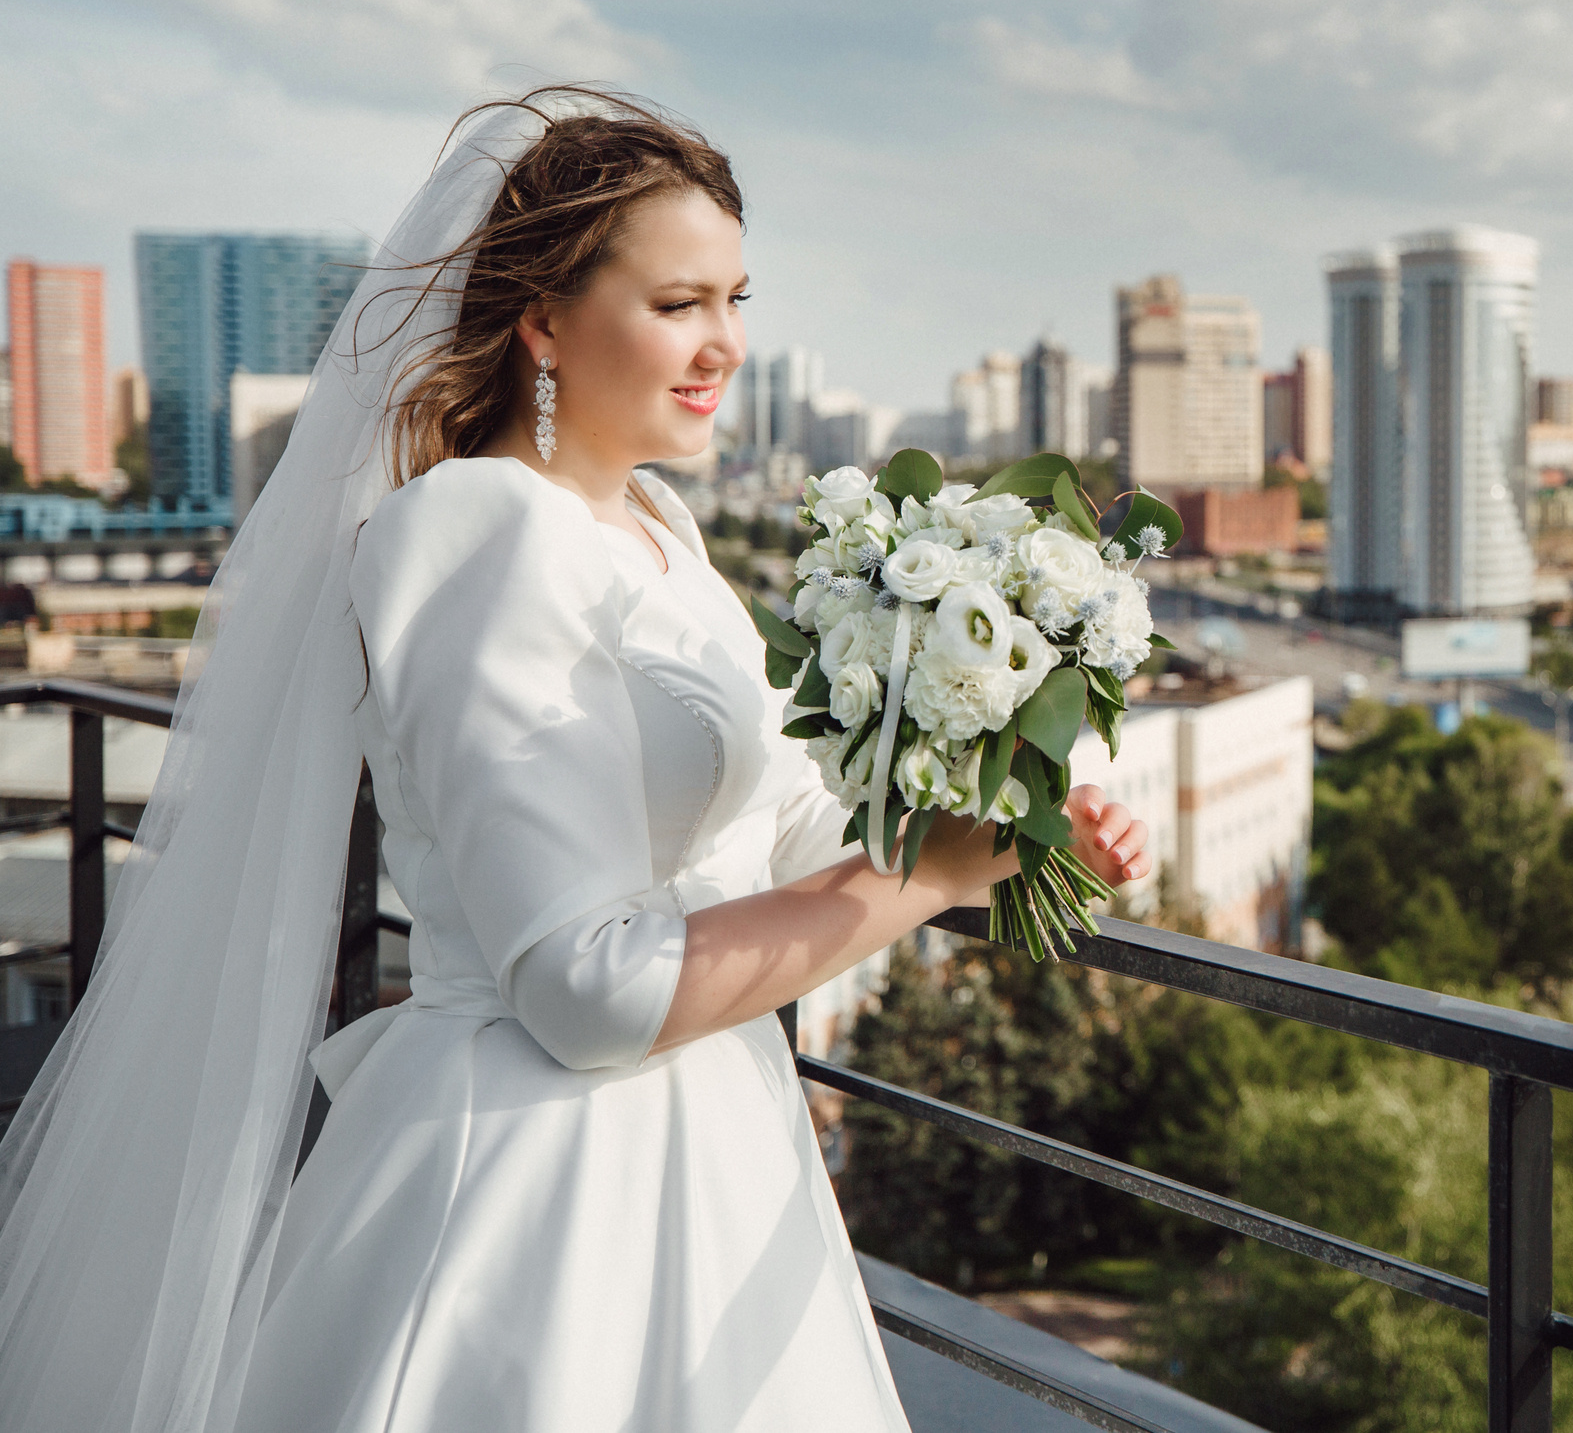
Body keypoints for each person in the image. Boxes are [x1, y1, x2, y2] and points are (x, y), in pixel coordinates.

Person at [0, 88, 1150, 1432]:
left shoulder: (657, 530)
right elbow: (584, 987)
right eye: (677, 304)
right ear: (544, 321)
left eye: (735, 298)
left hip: (714, 1134)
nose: (722, 342)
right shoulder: (480, 535)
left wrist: (996, 812)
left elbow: (770, 834)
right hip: (543, 1188)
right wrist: (921, 884)